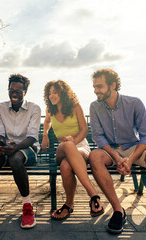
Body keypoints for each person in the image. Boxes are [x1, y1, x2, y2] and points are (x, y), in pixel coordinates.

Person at [88, 68, 146, 238]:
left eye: (99, 86)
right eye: (94, 87)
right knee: (94, 156)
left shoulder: (134, 103)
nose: (96, 90)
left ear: (112, 85)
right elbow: (98, 136)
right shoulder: (94, 106)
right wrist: (117, 157)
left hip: (133, 148)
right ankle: (118, 211)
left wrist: (130, 159)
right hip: (110, 150)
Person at [0, 74, 41, 229]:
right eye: (11, 90)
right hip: (6, 147)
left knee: (15, 159)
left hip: (27, 148)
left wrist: (15, 148)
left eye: (18, 91)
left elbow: (32, 137)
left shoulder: (34, 108)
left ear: (25, 92)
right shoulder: (0, 108)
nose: (14, 93)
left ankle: (27, 207)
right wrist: (2, 144)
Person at [41, 80, 104, 221]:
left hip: (81, 145)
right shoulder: (50, 110)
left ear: (63, 93)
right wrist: (45, 135)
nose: (52, 95)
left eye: (55, 92)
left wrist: (74, 143)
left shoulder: (75, 107)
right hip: (62, 148)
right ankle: (93, 194)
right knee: (67, 146)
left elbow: (84, 130)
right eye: (49, 93)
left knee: (65, 166)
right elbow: (46, 122)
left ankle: (68, 205)